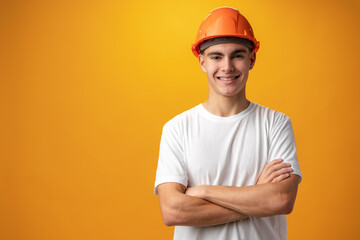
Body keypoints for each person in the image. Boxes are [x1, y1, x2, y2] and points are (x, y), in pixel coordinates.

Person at [154, 7, 302, 240]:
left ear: (251, 59)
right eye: (216, 56)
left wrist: (202, 192)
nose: (227, 66)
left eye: (237, 55)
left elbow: (280, 200)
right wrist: (256, 197)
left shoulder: (276, 124)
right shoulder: (177, 129)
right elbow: (173, 211)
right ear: (202, 61)